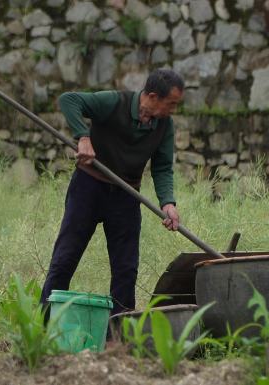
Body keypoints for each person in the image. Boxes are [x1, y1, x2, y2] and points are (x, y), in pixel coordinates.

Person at [39, 68, 185, 317]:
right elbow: (68, 100)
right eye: (171, 104)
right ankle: (42, 326)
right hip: (88, 189)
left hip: (126, 196)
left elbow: (162, 167)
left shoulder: (164, 126)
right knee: (65, 259)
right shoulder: (113, 102)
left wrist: (167, 202)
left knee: (126, 269)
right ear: (151, 96)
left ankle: (119, 337)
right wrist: (83, 137)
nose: (173, 110)